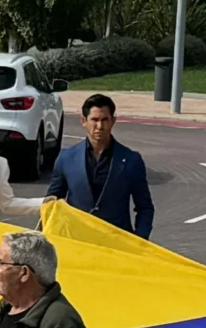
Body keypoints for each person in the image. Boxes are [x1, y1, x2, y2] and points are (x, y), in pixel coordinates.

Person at [44, 93, 154, 237]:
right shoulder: (66, 158)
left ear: (113, 121)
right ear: (84, 121)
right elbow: (52, 201)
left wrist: (140, 239)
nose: (100, 126)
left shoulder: (131, 160)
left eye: (105, 120)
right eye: (94, 120)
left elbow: (145, 207)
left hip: (117, 244)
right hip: (78, 240)